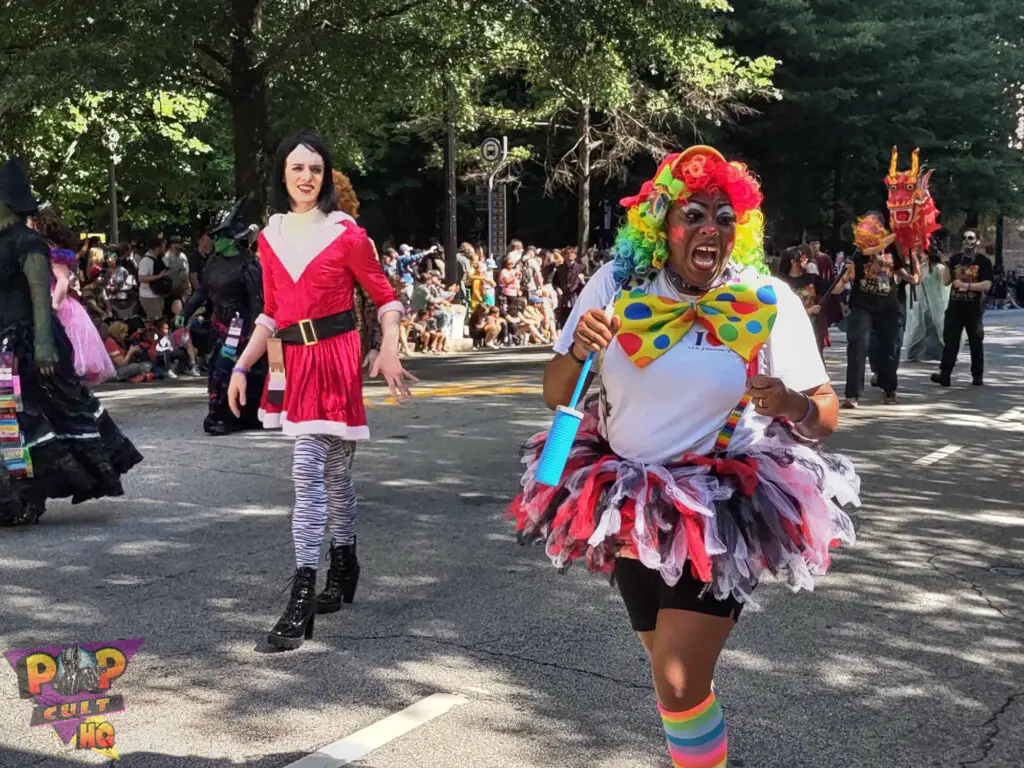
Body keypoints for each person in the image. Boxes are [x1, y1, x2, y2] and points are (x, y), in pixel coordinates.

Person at [508, 146, 858, 768]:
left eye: (724, 217)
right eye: (693, 214)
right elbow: (554, 392)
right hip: (627, 498)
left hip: (723, 506)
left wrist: (786, 402)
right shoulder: (616, 286)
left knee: (676, 677)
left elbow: (824, 414)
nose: (710, 229)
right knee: (674, 674)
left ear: (738, 229)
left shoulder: (762, 297)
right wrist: (578, 345)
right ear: (662, 225)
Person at [227, 132, 416, 651]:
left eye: (316, 169)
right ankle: (342, 561)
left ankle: (305, 590)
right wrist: (241, 368)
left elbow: (385, 297)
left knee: (316, 469)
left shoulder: (347, 234)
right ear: (282, 176)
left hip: (336, 358)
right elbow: (270, 311)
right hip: (295, 361)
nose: (307, 177)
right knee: (326, 472)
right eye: (297, 168)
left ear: (326, 176)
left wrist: (391, 348)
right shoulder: (270, 238)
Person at [0, 158, 142, 525]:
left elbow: (38, 296)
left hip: (31, 343)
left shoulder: (29, 242)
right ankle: (17, 494)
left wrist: (44, 343)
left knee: (37, 416)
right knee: (14, 420)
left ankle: (27, 495)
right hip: (6, 342)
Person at [179, 199, 267, 435]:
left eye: (220, 237)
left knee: (226, 369)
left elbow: (258, 302)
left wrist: (256, 334)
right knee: (217, 369)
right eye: (215, 237)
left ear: (234, 238)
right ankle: (219, 413)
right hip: (219, 325)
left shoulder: (249, 266)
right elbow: (203, 291)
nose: (216, 241)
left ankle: (227, 416)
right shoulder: (213, 263)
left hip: (241, 327)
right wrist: (185, 313)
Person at [834, 213, 916, 407]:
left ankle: (889, 388)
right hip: (862, 303)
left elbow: (898, 268)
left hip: (888, 303)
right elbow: (868, 252)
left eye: (874, 224)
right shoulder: (857, 248)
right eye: (866, 224)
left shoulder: (891, 247)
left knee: (890, 347)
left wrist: (911, 275)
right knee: (858, 345)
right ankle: (852, 395)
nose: (869, 227)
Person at [32, 207, 116, 385]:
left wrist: (53, 306)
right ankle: (10, 409)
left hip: (53, 303)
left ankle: (9, 410)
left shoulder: (48, 250)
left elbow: (62, 280)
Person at [932, 230, 993, 387]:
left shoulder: (983, 261)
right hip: (955, 308)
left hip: (973, 309)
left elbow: (987, 284)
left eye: (971, 238)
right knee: (950, 342)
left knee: (975, 343)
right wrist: (945, 264)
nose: (967, 241)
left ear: (977, 241)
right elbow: (946, 281)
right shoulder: (955, 259)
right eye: (964, 238)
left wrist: (966, 285)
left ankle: (977, 376)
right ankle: (945, 375)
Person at [780, 246, 829, 357]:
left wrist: (846, 275)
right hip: (790, 330)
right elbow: (783, 310)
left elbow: (835, 288)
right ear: (793, 262)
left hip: (812, 327)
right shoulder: (781, 283)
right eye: (802, 258)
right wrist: (809, 310)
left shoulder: (813, 278)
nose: (806, 260)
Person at [904, 247, 949, 361]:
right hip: (924, 302)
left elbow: (945, 283)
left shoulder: (939, 267)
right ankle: (917, 353)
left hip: (937, 302)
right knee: (921, 327)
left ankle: (939, 353)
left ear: (928, 255)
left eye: (922, 254)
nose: (921, 256)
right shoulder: (922, 267)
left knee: (938, 327)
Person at [137, 238, 171, 319]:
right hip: (149, 297)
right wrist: (159, 276)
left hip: (158, 295)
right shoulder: (146, 261)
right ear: (157, 248)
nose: (165, 249)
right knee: (156, 321)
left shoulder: (159, 259)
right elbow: (141, 278)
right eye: (163, 247)